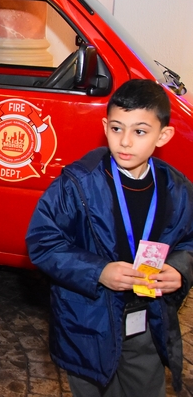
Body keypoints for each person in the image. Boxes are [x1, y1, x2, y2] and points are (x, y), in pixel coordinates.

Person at [26, 79, 193, 396]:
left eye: (140, 131)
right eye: (117, 129)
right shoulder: (77, 184)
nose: (125, 142)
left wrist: (180, 268)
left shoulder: (178, 189)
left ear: (163, 135)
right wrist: (99, 271)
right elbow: (44, 242)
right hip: (89, 324)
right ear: (105, 127)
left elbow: (189, 240)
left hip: (148, 322)